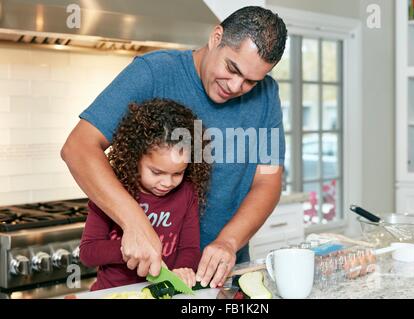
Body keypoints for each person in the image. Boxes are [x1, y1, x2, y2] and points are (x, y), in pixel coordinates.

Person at [61, 6, 287, 289]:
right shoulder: (155, 72)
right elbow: (78, 147)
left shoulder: (267, 95)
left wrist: (228, 241)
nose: (236, 86)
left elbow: (268, 180)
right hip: (141, 281)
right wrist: (134, 222)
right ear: (216, 37)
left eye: (251, 81)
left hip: (221, 276)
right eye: (232, 68)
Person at [79, 99, 211, 290]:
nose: (167, 183)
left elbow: (189, 249)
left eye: (178, 173)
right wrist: (127, 249)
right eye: (156, 172)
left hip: (160, 292)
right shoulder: (112, 191)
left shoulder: (186, 193)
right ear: (134, 158)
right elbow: (88, 253)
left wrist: (183, 268)